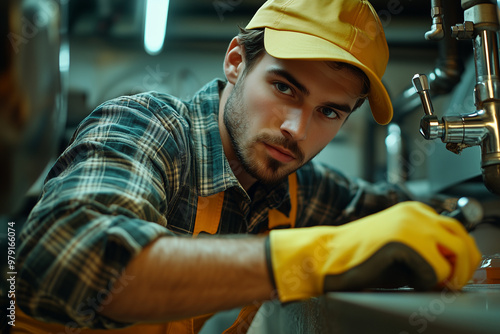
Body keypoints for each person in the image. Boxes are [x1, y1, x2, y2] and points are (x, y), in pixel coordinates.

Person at [14, 0, 481, 333]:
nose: (298, 129)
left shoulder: (299, 190)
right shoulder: (151, 127)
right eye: (284, 88)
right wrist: (310, 260)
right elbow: (65, 260)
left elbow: (405, 216)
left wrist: (464, 217)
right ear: (237, 62)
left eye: (330, 111)